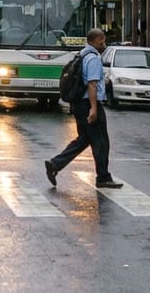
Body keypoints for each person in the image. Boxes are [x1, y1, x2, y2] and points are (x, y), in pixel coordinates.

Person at [45, 28, 123, 190]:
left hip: (79, 104)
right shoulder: (93, 58)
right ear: (97, 41)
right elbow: (92, 85)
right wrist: (94, 109)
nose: (104, 44)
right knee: (101, 141)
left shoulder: (81, 54)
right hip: (88, 104)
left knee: (85, 139)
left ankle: (55, 164)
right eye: (103, 41)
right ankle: (103, 177)